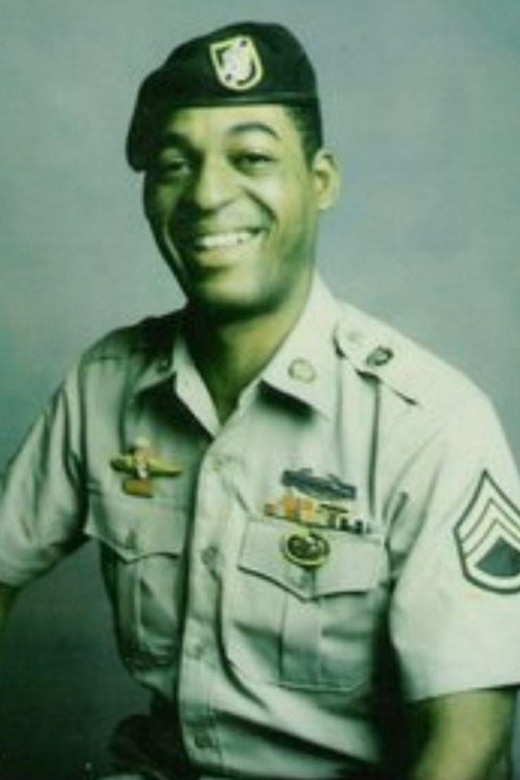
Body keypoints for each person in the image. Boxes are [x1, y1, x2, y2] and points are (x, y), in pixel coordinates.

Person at [1, 20, 520, 780]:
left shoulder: (429, 423)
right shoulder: (105, 383)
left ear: (320, 182)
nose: (207, 195)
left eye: (251, 158)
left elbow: (470, 742)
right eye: (175, 164)